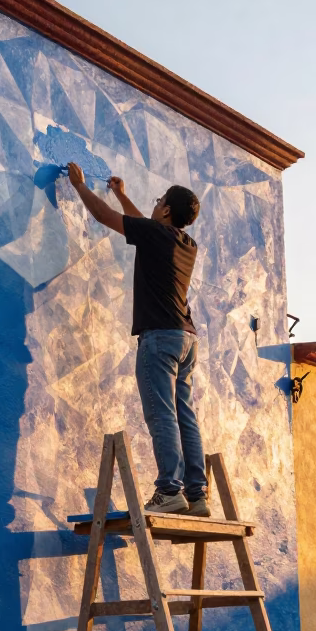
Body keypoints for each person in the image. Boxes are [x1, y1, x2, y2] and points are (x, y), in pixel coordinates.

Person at [64, 162, 209, 517]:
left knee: (162, 416)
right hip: (186, 339)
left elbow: (103, 216)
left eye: (158, 200)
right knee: (185, 416)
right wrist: (122, 193)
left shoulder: (154, 234)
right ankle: (197, 494)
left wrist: (80, 186)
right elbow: (142, 226)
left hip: (159, 338)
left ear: (165, 210)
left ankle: (169, 490)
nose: (154, 203)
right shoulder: (184, 242)